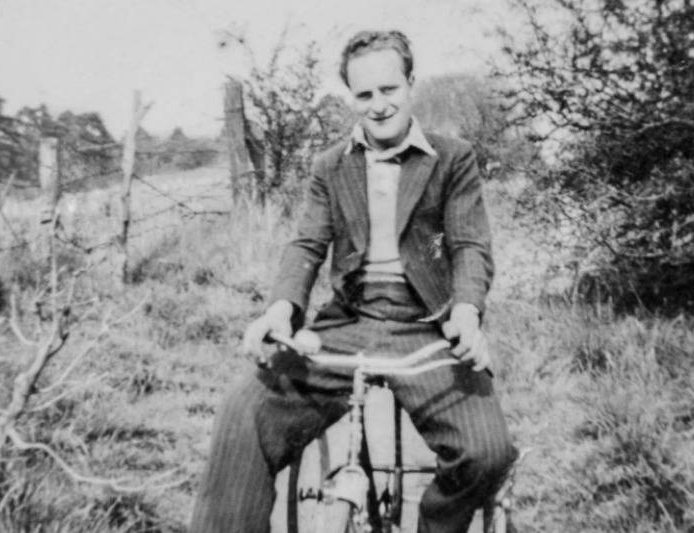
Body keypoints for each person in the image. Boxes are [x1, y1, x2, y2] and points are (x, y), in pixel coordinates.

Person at [190, 30, 517, 533]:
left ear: (411, 84)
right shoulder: (330, 165)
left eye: (390, 90)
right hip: (349, 325)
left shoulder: (452, 159)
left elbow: (471, 245)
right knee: (244, 410)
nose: (379, 105)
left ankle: (433, 526)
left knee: (487, 452)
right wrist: (281, 310)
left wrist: (467, 313)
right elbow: (306, 245)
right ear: (352, 98)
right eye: (364, 95)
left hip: (426, 329)